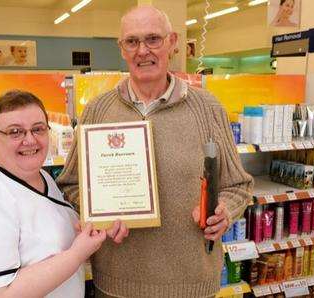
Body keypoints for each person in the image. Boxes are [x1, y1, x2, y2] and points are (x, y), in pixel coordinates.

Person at [57, 5, 253, 298]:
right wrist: (95, 214)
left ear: (172, 42)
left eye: (153, 39)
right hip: (116, 283)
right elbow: (71, 184)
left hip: (192, 284)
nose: (142, 51)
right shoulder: (97, 111)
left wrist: (223, 211)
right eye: (132, 42)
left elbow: (238, 185)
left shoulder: (207, 108)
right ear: (121, 49)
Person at [0, 90, 107, 298]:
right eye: (15, 132)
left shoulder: (42, 177)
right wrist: (76, 254)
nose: (30, 140)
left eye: (38, 129)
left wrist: (89, 231)